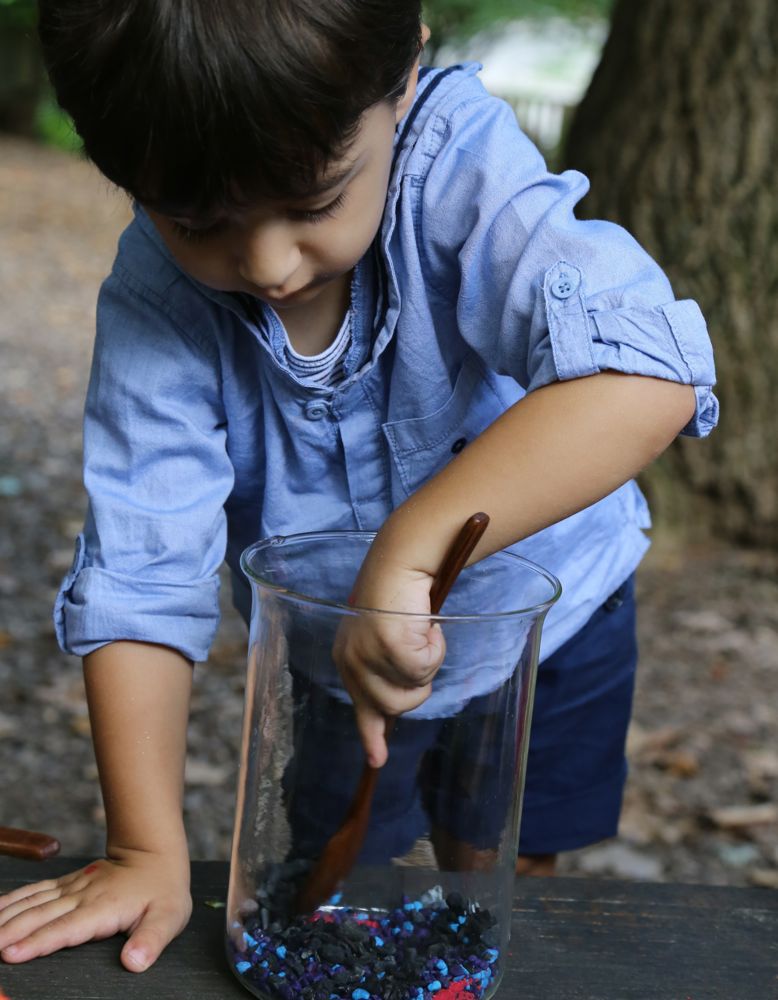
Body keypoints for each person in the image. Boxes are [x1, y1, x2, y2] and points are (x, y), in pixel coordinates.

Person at [0, 0, 717, 976]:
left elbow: (647, 374)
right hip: (333, 662)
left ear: (402, 77)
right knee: (339, 882)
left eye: (311, 201)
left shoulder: (459, 165)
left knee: (495, 873)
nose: (264, 262)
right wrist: (144, 847)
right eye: (194, 218)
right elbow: (138, 572)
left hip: (552, 617)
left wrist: (411, 545)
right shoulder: (158, 298)